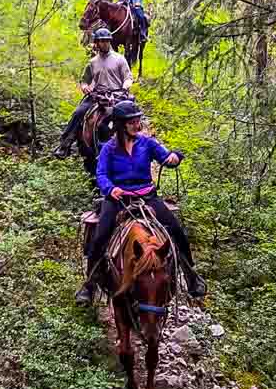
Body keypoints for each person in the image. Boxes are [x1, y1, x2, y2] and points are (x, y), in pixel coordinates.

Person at [75, 99, 207, 304]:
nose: (138, 125)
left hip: (146, 196)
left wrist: (173, 158)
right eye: (132, 122)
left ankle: (191, 276)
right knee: (100, 236)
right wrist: (111, 189)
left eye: (138, 121)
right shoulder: (109, 148)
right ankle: (90, 284)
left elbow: (165, 157)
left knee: (176, 229)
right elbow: (100, 174)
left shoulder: (148, 143)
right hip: (119, 198)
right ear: (120, 125)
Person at [53, 28, 133, 158]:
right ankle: (65, 145)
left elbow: (128, 77)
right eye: (101, 41)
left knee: (132, 114)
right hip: (98, 95)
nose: (104, 43)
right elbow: (84, 80)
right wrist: (85, 87)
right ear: (96, 42)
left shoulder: (120, 59)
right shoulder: (92, 62)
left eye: (106, 41)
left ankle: (138, 144)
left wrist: (125, 86)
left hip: (118, 94)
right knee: (79, 112)